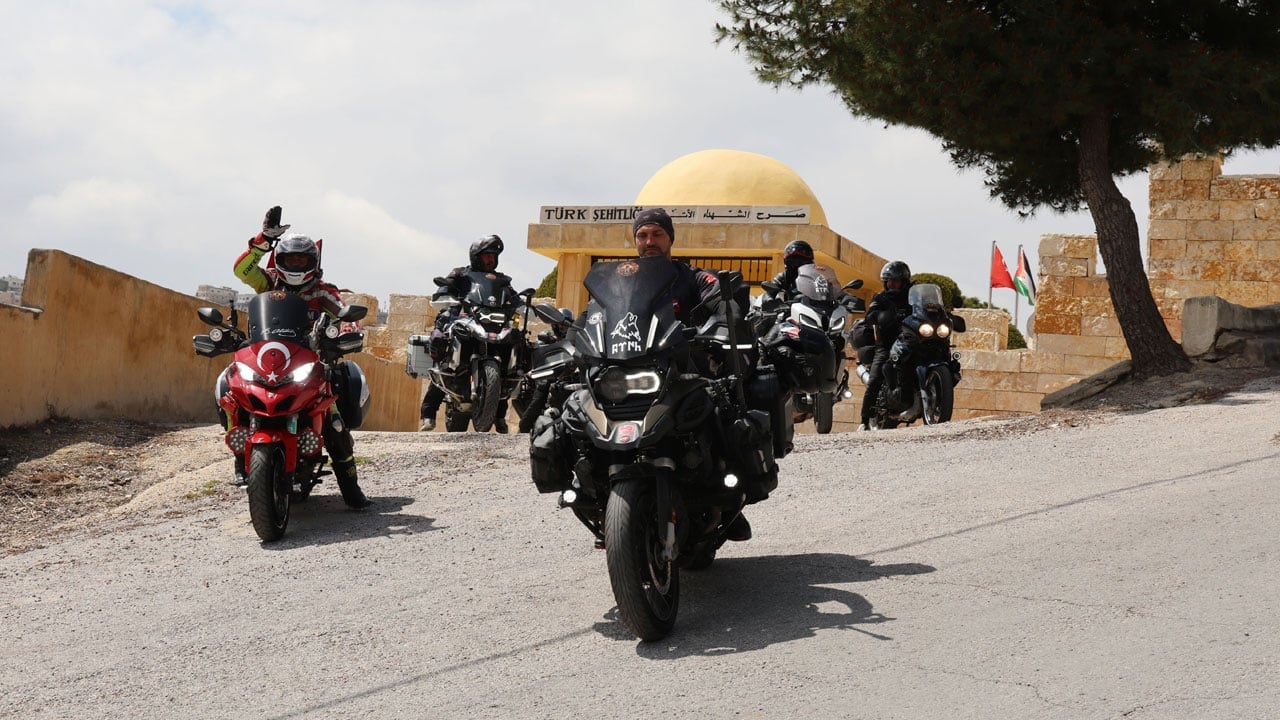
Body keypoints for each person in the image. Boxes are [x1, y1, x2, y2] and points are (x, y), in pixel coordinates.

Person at [231, 205, 371, 508]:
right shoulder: (267, 282)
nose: (295, 265)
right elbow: (241, 270)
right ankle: (241, 458)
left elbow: (345, 312)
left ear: (313, 262)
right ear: (279, 262)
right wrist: (263, 240)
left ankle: (352, 489)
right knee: (230, 390)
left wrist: (347, 331)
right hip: (269, 361)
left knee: (334, 425)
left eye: (301, 260)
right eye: (289, 259)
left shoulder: (323, 291)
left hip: (311, 364)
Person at [630, 208, 756, 542]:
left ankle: (731, 503)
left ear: (670, 238)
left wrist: (725, 316)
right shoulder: (622, 280)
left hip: (684, 371)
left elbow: (721, 301)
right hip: (631, 370)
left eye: (657, 234)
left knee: (720, 414)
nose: (649, 242)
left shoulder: (692, 278)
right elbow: (595, 314)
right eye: (642, 235)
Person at [419, 234, 512, 433]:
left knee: (508, 365)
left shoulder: (502, 280)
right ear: (476, 256)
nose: (491, 260)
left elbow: (514, 298)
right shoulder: (461, 273)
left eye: (493, 256)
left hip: (492, 324)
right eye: (487, 255)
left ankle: (498, 416)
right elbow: (444, 288)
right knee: (443, 360)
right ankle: (428, 414)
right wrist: (445, 293)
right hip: (462, 320)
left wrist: (520, 305)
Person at [858, 260, 913, 432]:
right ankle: (864, 420)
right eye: (890, 281)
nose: (893, 284)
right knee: (875, 379)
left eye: (896, 281)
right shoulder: (881, 298)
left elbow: (925, 306)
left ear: (904, 282)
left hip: (910, 341)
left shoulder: (911, 297)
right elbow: (870, 315)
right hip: (886, 344)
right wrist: (879, 316)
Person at [763, 240, 815, 304]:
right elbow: (769, 293)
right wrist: (769, 300)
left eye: (801, 260)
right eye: (793, 260)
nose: (797, 263)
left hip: (814, 310)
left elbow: (827, 291)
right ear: (786, 261)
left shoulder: (815, 277)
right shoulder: (783, 277)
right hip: (790, 311)